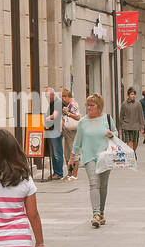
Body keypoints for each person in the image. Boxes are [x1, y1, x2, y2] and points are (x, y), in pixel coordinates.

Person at [71, 93, 117, 228]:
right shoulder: (83, 122)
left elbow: (116, 133)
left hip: (105, 156)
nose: (89, 108)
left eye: (92, 105)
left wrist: (112, 134)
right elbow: (77, 141)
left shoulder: (107, 119)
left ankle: (101, 213)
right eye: (88, 105)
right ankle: (96, 214)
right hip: (89, 157)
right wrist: (72, 157)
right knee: (93, 183)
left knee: (103, 186)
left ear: (99, 107)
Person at [43, 86, 65, 180]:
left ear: (52, 95)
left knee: (57, 152)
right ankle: (56, 172)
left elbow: (54, 115)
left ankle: (59, 173)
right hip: (51, 130)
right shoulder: (52, 103)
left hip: (56, 131)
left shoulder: (58, 102)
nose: (47, 98)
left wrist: (45, 118)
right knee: (53, 153)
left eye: (48, 96)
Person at [60, 88, 82, 180]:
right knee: (67, 153)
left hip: (73, 132)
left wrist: (67, 113)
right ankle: (69, 173)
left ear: (67, 97)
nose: (62, 99)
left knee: (74, 153)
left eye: (63, 97)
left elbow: (78, 117)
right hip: (67, 132)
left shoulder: (73, 104)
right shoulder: (68, 105)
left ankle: (74, 174)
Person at [119, 87, 144, 156]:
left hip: (136, 127)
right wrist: (120, 127)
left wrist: (142, 126)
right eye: (132, 94)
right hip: (126, 126)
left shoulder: (138, 104)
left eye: (134, 94)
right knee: (129, 143)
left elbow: (141, 115)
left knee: (135, 142)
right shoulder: (124, 104)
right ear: (128, 95)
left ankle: (133, 153)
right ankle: (131, 155)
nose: (133, 96)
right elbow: (121, 116)